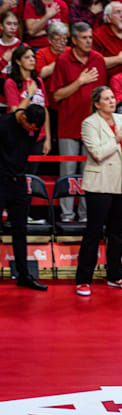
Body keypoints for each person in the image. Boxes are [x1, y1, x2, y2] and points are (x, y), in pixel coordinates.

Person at [75, 85, 122, 296]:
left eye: (113, 97)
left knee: (117, 231)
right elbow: (96, 153)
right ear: (97, 104)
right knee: (93, 232)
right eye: (106, 99)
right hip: (100, 184)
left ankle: (115, 275)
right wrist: (116, 139)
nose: (112, 101)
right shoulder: (89, 123)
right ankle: (83, 279)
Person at [51, 21, 107, 226]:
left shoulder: (98, 59)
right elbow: (56, 95)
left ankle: (85, 214)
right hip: (68, 125)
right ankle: (66, 214)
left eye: (91, 38)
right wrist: (79, 82)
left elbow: (103, 94)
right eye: (84, 38)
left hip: (94, 128)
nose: (89, 41)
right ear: (73, 40)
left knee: (90, 173)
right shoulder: (63, 60)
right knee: (67, 172)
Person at [0, 103, 47, 290]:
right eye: (31, 127)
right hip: (1, 180)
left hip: (19, 181)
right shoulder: (3, 125)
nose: (33, 132)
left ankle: (24, 275)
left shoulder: (32, 127)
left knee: (20, 231)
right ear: (24, 118)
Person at [4, 44, 51, 157]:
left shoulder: (38, 81)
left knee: (34, 173)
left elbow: (44, 110)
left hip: (39, 136)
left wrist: (47, 139)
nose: (32, 60)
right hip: (19, 136)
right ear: (18, 61)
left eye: (33, 57)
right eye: (27, 57)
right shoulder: (11, 83)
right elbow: (15, 112)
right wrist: (29, 95)